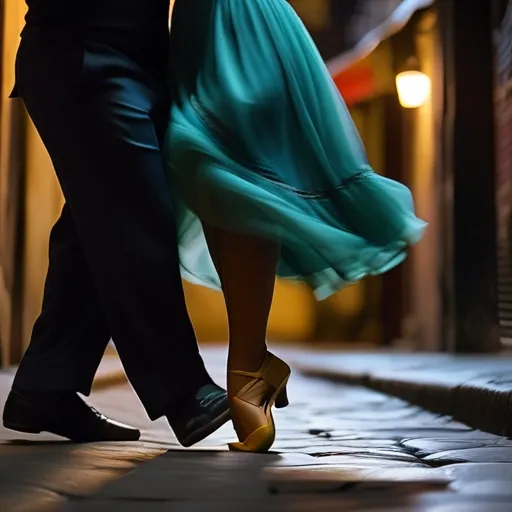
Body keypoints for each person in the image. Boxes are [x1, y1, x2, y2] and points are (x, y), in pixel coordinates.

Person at [165, 0, 428, 453]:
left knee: (225, 157)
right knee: (209, 163)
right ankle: (249, 361)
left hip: (241, 16)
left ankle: (247, 364)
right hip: (197, 21)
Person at [2, 0, 230, 447]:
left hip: (144, 60)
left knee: (100, 223)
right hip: (83, 55)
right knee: (134, 217)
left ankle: (44, 386)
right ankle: (182, 391)